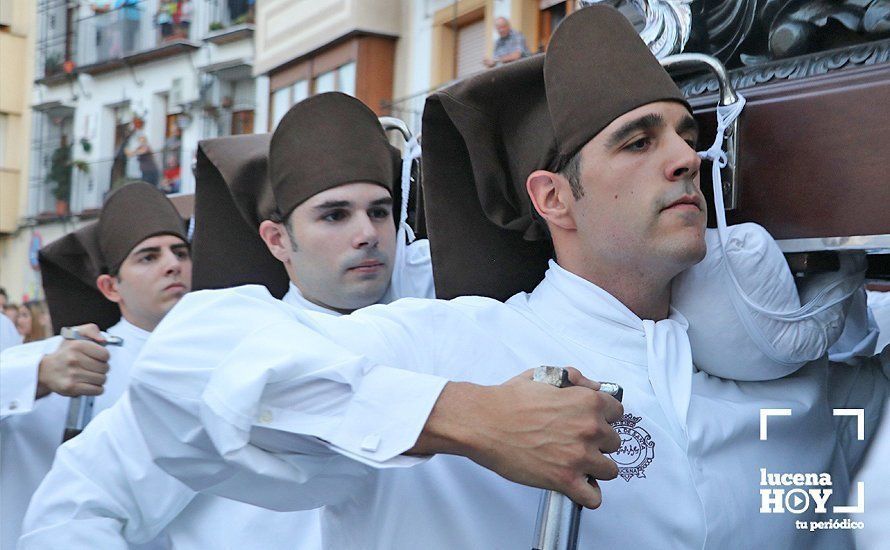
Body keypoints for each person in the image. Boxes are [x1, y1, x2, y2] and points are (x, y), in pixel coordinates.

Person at [126, 6, 887, 549]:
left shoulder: (788, 388)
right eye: (637, 140)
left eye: (688, 134)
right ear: (555, 198)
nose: (686, 156)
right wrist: (467, 419)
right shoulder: (446, 346)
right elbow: (174, 387)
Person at [21, 94, 433, 550]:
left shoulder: (441, 337)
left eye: (379, 211)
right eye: (335, 215)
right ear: (277, 240)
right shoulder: (214, 357)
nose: (368, 234)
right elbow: (69, 516)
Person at [0, 182, 190, 550]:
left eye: (180, 252)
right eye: (149, 257)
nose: (172, 265)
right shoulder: (65, 354)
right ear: (110, 287)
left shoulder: (223, 358)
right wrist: (39, 376)